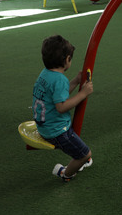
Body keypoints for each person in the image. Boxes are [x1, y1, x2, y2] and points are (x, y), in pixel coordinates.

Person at [32, 35, 93, 182]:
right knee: (85, 155)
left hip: (44, 126)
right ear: (66, 60)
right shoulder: (59, 80)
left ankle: (75, 158)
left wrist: (76, 81)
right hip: (57, 131)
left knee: (79, 149)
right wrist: (83, 94)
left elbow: (59, 96)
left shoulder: (45, 74)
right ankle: (65, 173)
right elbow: (61, 106)